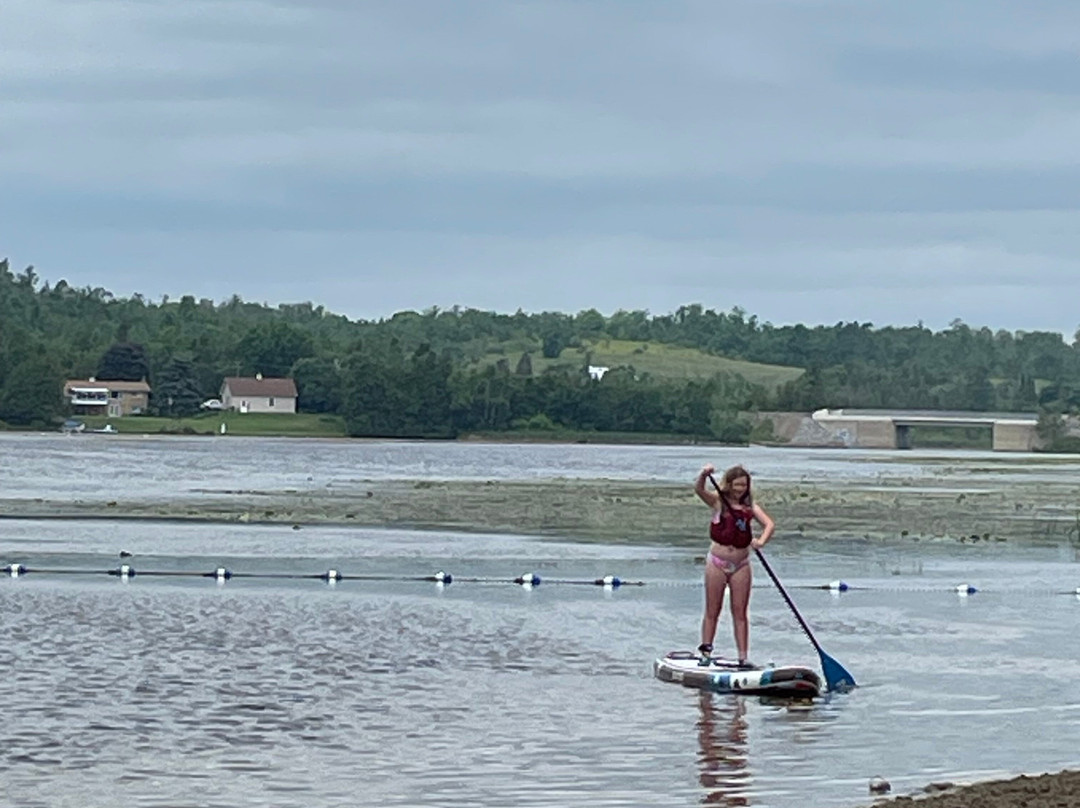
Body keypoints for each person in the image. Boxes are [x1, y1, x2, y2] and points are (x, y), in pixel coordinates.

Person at [694, 463, 775, 668]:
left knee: (740, 612)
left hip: (741, 564)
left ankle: (742, 657)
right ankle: (706, 652)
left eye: (744, 486)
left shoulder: (749, 507)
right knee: (713, 610)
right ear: (729, 484)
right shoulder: (718, 502)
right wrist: (704, 475)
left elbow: (769, 525)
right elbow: (699, 490)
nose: (740, 489)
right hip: (717, 563)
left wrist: (761, 541)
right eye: (737, 485)